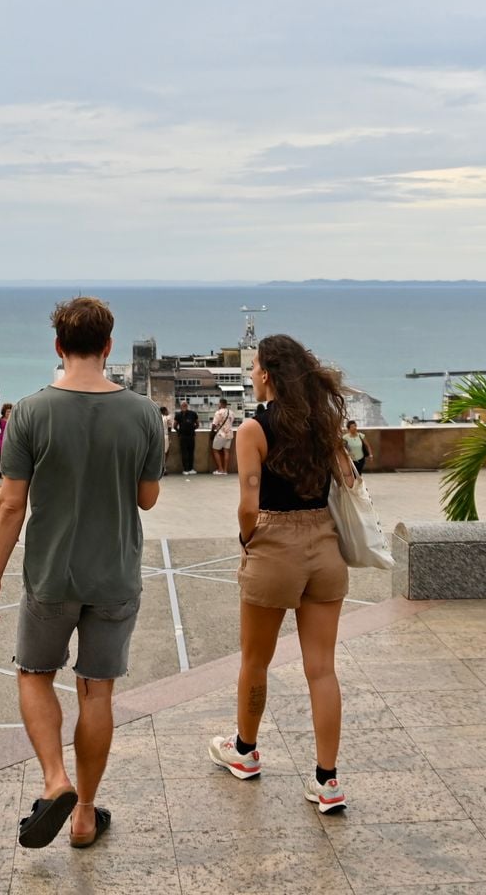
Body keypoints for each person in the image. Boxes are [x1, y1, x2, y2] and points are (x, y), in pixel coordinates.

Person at [0, 297, 162, 851]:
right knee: (96, 691)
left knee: (34, 672)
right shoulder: (144, 414)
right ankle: (83, 815)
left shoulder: (29, 412)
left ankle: (56, 780)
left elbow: (10, 504)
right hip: (116, 575)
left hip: (51, 573)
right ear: (109, 346)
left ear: (58, 347)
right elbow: (147, 499)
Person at [209, 334, 350, 814]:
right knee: (322, 669)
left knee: (256, 659)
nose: (251, 374)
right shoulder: (324, 423)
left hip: (275, 545)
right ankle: (327, 781)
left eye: (253, 367)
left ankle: (245, 751)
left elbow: (249, 503)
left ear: (267, 373)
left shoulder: (253, 429)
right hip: (325, 547)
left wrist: (249, 540)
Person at [210, 401, 236, 476]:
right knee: (226, 451)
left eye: (218, 403)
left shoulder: (218, 412)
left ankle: (220, 469)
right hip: (230, 434)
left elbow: (214, 424)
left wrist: (212, 432)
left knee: (215, 450)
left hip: (221, 434)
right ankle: (225, 470)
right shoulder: (231, 412)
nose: (218, 405)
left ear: (221, 404)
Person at [174, 399, 199, 475]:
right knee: (184, 453)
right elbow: (174, 425)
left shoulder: (193, 414)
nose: (184, 406)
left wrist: (192, 429)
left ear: (187, 406)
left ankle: (191, 469)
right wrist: (179, 432)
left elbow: (197, 424)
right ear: (181, 406)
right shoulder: (178, 415)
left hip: (191, 436)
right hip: (183, 437)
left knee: (191, 453)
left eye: (185, 405)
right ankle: (185, 469)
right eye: (183, 405)